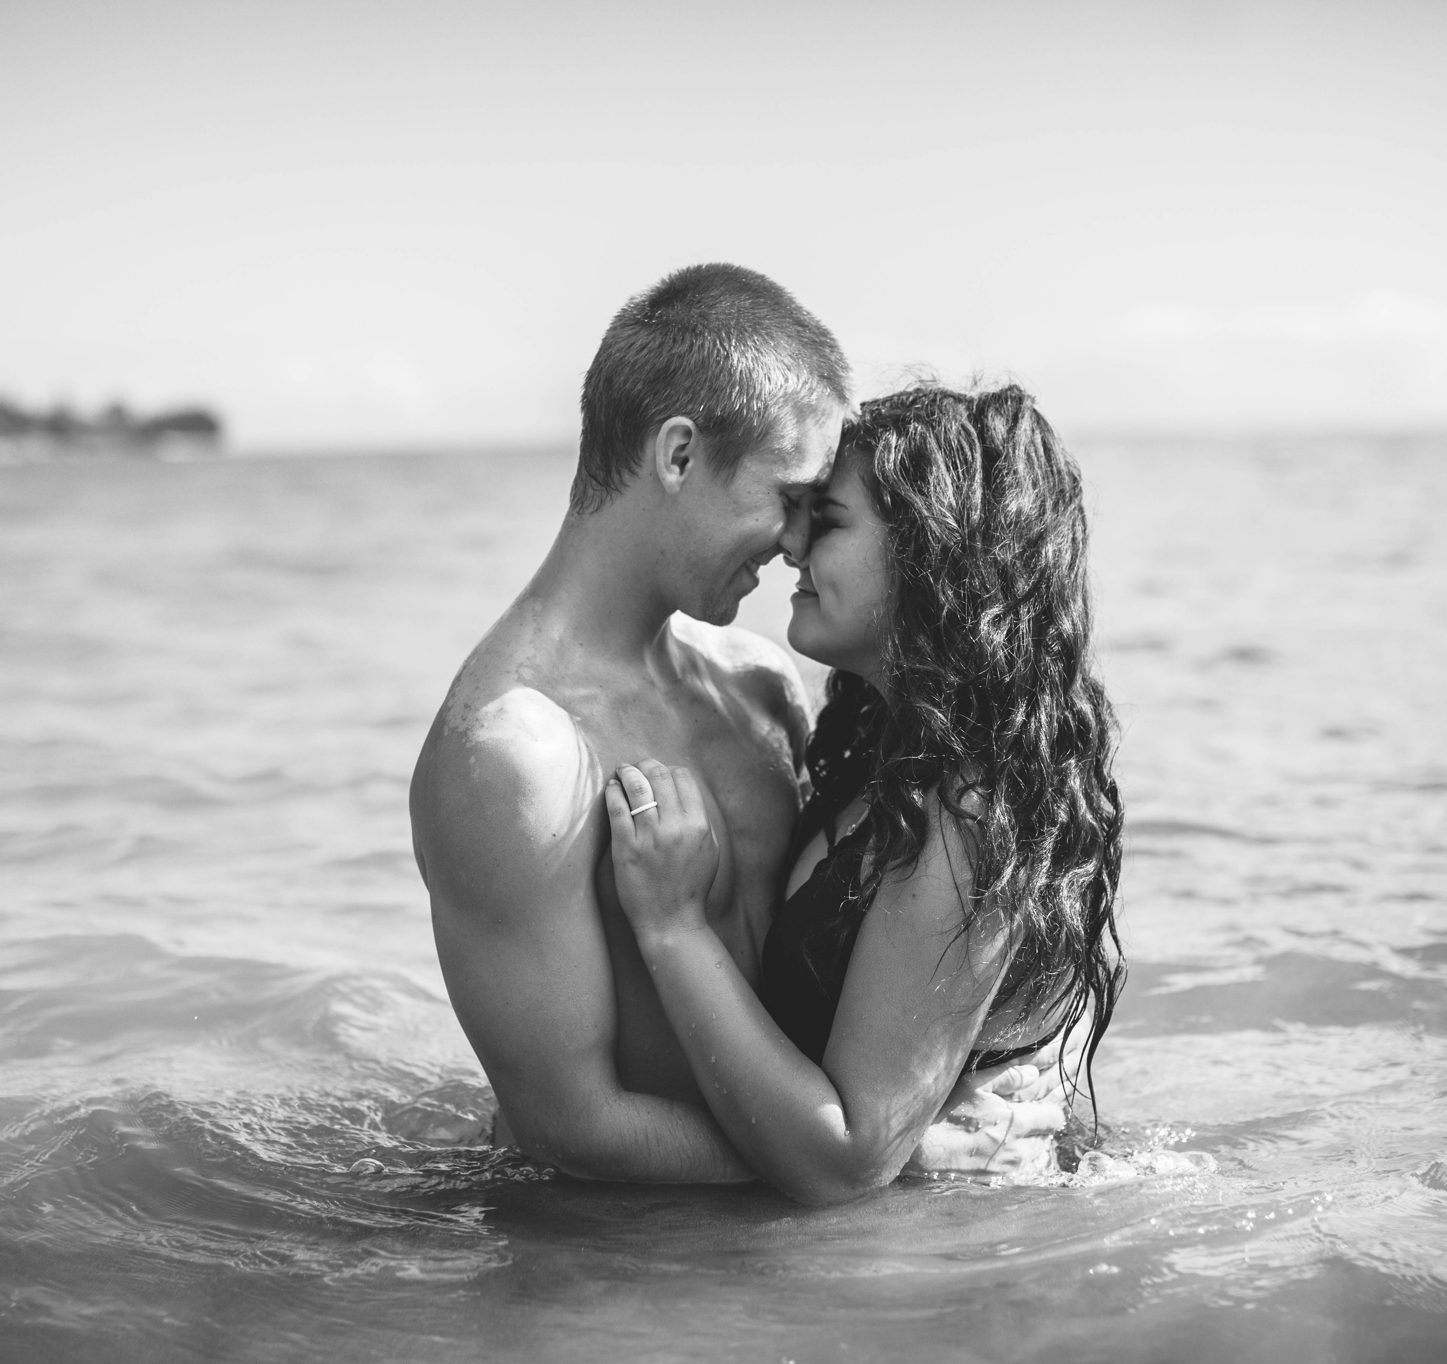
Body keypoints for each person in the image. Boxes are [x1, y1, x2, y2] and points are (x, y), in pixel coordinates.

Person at [411, 266, 1057, 1185]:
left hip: (805, 1271)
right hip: (630, 1286)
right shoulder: (516, 756)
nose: (796, 541)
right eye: (789, 496)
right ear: (678, 456)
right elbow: (568, 1127)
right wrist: (880, 1154)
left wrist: (951, 1079)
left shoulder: (760, 685)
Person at [603, 383, 1125, 1204]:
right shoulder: (877, 749)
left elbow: (847, 1159)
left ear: (933, 554)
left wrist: (670, 926)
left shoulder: (972, 811)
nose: (792, 543)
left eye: (831, 520)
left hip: (947, 1280)